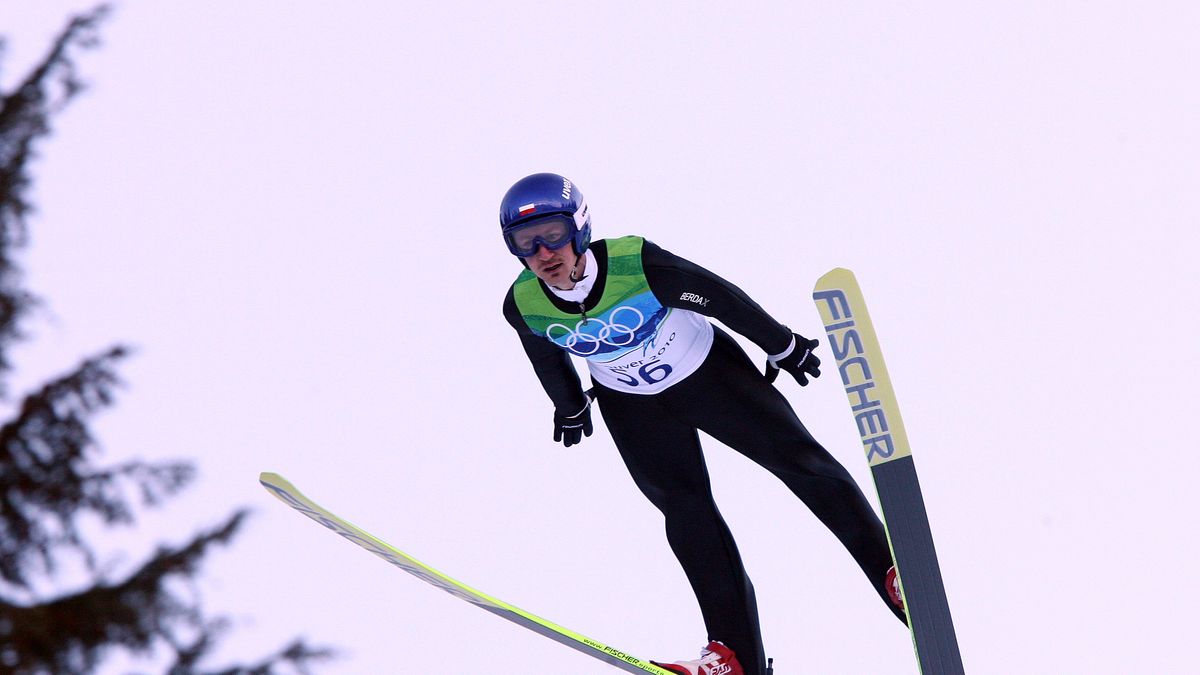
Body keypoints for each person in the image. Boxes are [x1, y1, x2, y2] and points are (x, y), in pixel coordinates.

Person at [500, 173, 905, 675]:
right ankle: (733, 658)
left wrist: (779, 343)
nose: (544, 253)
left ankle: (892, 572)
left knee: (799, 463)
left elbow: (718, 296)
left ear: (579, 229)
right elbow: (544, 353)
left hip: (707, 375)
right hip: (632, 405)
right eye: (526, 243)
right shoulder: (523, 304)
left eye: (554, 235)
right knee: (685, 514)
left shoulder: (636, 263)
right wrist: (569, 405)